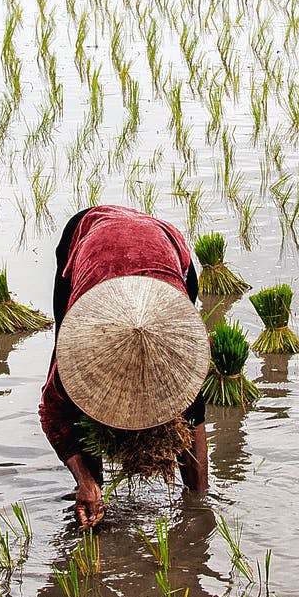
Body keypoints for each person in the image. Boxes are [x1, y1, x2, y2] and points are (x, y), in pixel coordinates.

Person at [40, 206, 212, 530]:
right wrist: (85, 479)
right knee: (74, 396)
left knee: (185, 396)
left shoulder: (183, 346)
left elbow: (194, 410)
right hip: (91, 236)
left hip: (164, 242)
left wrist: (199, 505)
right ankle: (93, 493)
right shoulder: (80, 345)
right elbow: (53, 413)